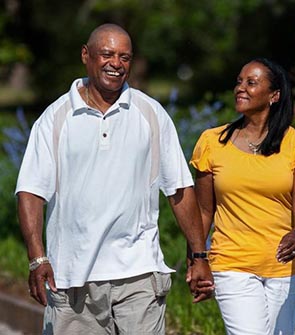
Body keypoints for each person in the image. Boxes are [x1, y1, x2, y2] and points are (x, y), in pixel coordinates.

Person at [15, 23, 213, 335]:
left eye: (125, 57)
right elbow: (30, 192)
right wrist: (37, 258)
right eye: (107, 54)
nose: (116, 63)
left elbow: (179, 188)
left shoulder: (150, 113)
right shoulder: (55, 118)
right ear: (86, 55)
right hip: (72, 276)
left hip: (139, 272)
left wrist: (199, 256)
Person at [190, 58, 295, 335]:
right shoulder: (213, 143)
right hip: (232, 262)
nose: (241, 88)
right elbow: (203, 211)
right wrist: (196, 259)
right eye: (239, 81)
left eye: (251, 82)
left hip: (285, 266)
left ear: (274, 95)